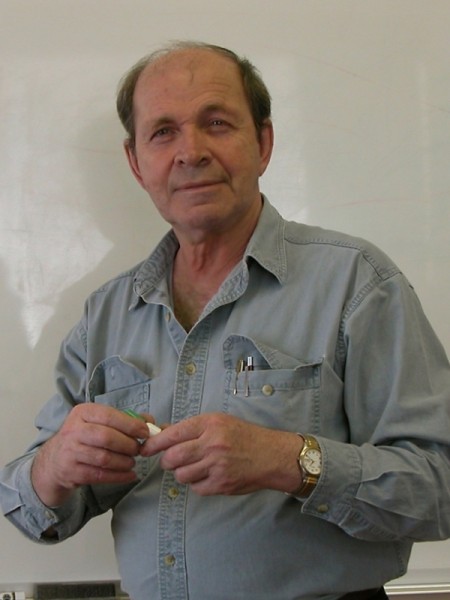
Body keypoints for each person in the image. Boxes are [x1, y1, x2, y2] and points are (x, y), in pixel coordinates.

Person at [1, 41, 450, 600]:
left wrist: (288, 460)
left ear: (263, 143)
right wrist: (54, 466)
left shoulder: (358, 283)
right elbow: (31, 509)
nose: (190, 152)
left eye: (216, 123)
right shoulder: (106, 315)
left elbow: (440, 485)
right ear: (136, 163)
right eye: (163, 132)